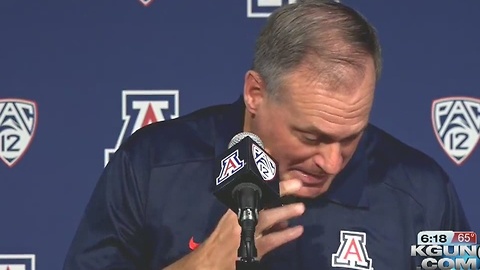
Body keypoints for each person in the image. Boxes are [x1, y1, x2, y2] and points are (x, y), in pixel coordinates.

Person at [63, 1, 471, 269]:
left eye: (350, 137)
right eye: (310, 137)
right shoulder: (151, 164)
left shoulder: (425, 188)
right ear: (256, 93)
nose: (331, 161)